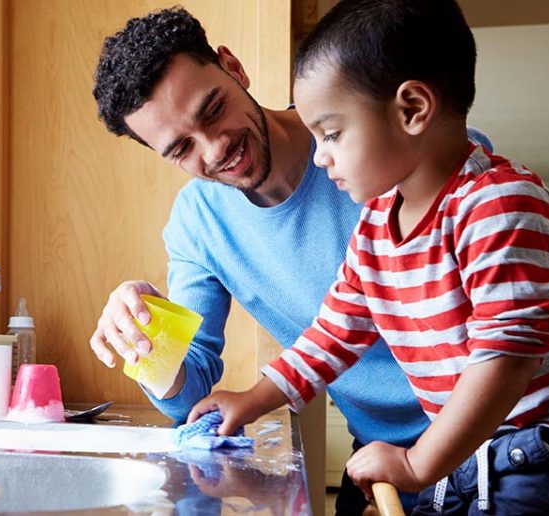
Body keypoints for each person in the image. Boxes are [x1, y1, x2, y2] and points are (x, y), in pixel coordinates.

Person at [90, 6, 492, 513]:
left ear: (234, 68)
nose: (214, 150)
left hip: (498, 443)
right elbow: (196, 384)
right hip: (382, 464)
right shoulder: (199, 222)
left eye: (213, 110)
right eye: (180, 149)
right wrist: (145, 339)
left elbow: (503, 337)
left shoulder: (390, 150)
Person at [188, 0, 549, 514]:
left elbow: (505, 362)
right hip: (460, 463)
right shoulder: (377, 223)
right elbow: (333, 334)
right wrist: (253, 399)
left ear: (412, 109)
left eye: (332, 134)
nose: (320, 156)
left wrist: (416, 465)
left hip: (527, 461)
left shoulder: (498, 205)